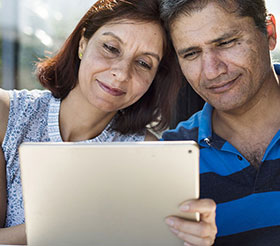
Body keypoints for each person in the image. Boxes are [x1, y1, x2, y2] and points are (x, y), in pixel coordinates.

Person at [0, 0, 182, 244]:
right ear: (83, 44)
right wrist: (71, 221)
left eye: (143, 63)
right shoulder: (6, 114)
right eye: (111, 48)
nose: (121, 72)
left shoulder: (147, 152)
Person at [161, 0, 280, 245]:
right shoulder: (169, 155)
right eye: (191, 54)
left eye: (226, 43)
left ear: (269, 32)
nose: (211, 71)